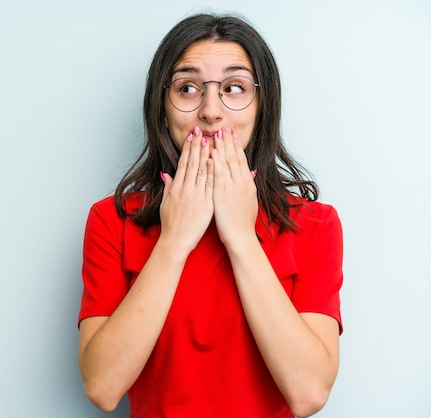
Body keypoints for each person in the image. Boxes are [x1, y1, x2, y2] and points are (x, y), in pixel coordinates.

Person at [77, 13, 343, 418]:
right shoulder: (111, 219)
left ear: (262, 104)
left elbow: (308, 394)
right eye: (188, 89)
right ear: (161, 106)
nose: (211, 111)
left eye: (234, 88)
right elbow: (102, 387)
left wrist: (239, 237)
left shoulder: (316, 224)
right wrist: (174, 241)